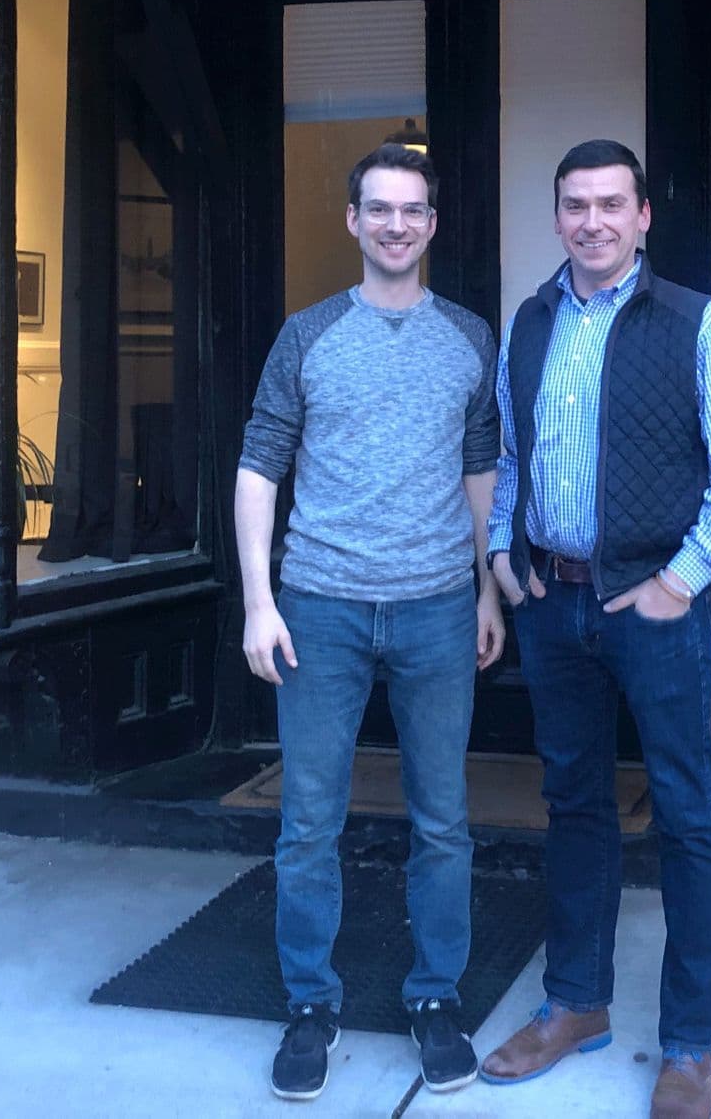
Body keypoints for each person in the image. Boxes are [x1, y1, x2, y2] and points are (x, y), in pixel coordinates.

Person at [480, 139, 711, 1119]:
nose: (592, 221)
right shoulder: (527, 324)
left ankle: (687, 1047)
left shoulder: (698, 325)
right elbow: (512, 457)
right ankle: (576, 1005)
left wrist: (682, 580)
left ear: (643, 216)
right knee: (573, 806)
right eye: (575, 205)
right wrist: (500, 555)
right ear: (555, 215)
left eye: (612, 203)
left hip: (656, 609)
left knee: (688, 820)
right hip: (553, 606)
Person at [233, 142, 505, 1103]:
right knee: (309, 822)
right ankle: (311, 1004)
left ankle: (437, 1001)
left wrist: (484, 587)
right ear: (352, 221)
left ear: (433, 225)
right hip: (321, 608)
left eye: (414, 210)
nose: (397, 225)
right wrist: (260, 601)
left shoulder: (469, 336)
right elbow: (260, 463)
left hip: (437, 606)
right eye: (380, 209)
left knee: (445, 821)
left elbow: (483, 470)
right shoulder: (307, 336)